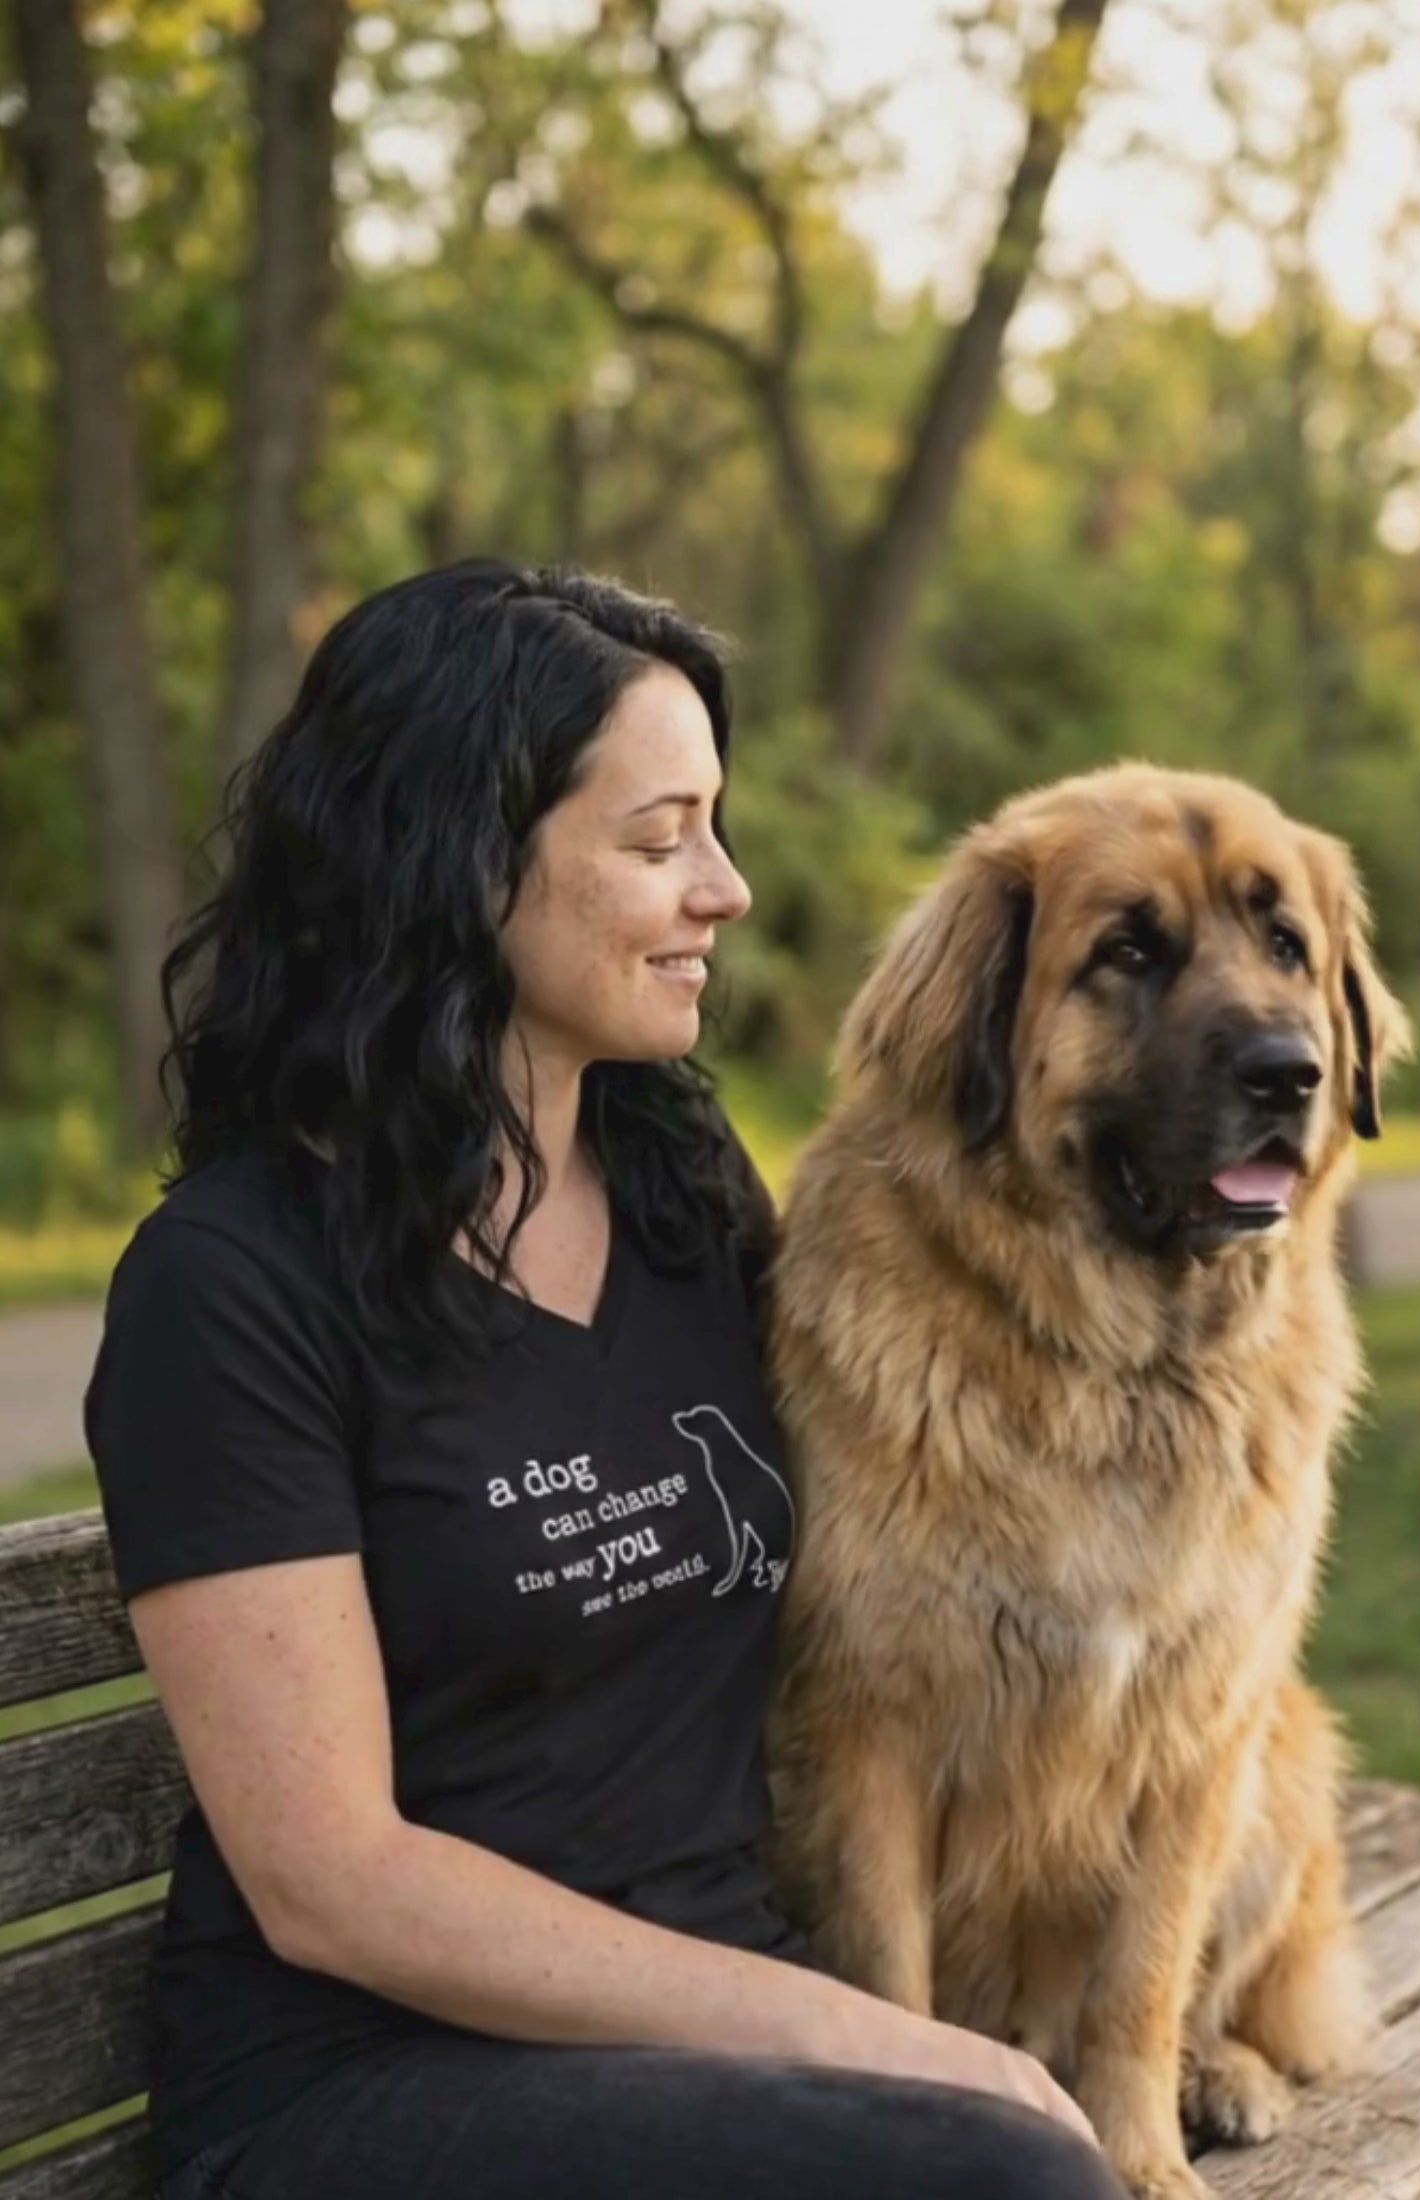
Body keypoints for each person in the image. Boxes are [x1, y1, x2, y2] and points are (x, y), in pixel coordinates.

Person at [85, 561, 1126, 2200]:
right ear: (459, 862)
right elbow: (332, 1883)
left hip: (701, 2042)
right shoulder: (228, 1288)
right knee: (1007, 2180)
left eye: (716, 828)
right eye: (658, 841)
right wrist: (858, 2034)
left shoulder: (681, 1190)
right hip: (362, 2090)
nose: (729, 889)